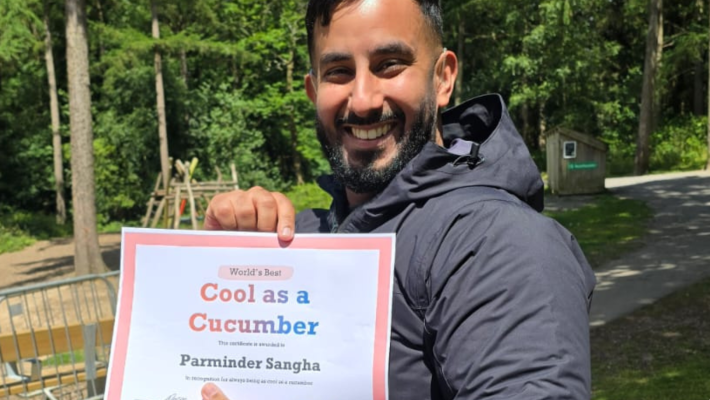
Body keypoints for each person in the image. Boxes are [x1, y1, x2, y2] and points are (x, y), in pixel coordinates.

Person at [200, 0, 596, 399]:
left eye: (389, 64)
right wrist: (225, 257)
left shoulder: (497, 243)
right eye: (338, 72)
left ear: (443, 78)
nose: (363, 100)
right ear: (313, 90)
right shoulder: (304, 238)